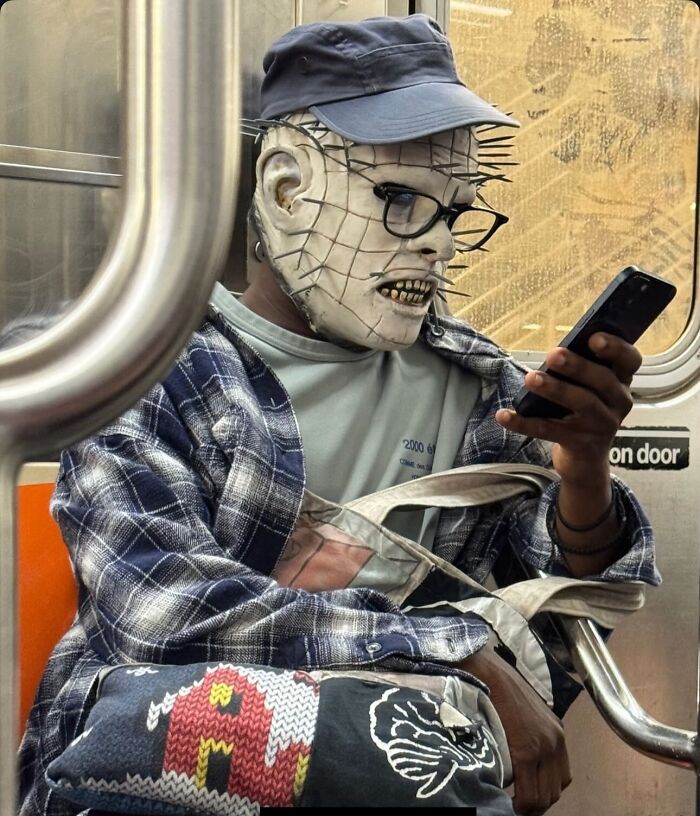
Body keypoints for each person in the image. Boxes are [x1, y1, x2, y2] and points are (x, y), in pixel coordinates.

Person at [19, 14, 659, 816]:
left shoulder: (478, 387)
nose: (437, 248)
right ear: (287, 189)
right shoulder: (151, 374)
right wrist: (455, 656)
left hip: (391, 765)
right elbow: (164, 613)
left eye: (454, 213)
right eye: (399, 202)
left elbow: (566, 616)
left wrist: (585, 469)